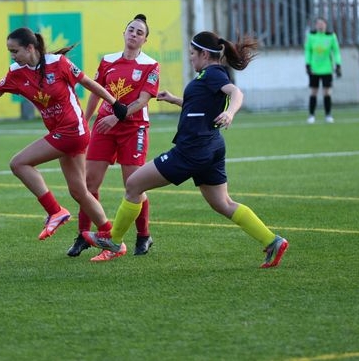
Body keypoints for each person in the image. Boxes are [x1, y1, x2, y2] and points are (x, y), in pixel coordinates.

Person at [80, 31, 289, 267]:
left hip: (192, 148)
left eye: (192, 53)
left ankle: (115, 241)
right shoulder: (206, 76)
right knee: (222, 203)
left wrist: (230, 113)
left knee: (133, 184)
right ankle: (272, 241)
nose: (191, 58)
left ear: (204, 54)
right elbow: (200, 104)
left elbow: (236, 92)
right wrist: (175, 100)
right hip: (211, 145)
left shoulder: (213, 73)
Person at [0, 27, 128, 242]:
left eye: (15, 51)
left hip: (73, 131)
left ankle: (55, 211)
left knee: (19, 163)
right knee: (79, 191)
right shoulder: (17, 71)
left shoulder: (58, 63)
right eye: (10, 52)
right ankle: (110, 236)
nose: (12, 56)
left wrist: (114, 103)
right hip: (62, 133)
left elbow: (87, 82)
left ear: (30, 48)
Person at [66, 14, 160, 259]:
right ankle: (83, 236)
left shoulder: (151, 65)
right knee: (89, 184)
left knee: (134, 184)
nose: (134, 34)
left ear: (145, 40)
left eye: (140, 32)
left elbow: (143, 101)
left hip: (134, 128)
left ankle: (143, 235)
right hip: (104, 128)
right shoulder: (107, 61)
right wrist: (85, 120)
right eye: (131, 29)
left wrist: (117, 117)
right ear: (124, 33)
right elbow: (96, 92)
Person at [304, 17, 342, 123]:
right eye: (318, 24)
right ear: (315, 25)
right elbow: (307, 51)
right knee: (313, 92)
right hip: (314, 69)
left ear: (325, 25)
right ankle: (311, 115)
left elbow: (336, 51)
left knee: (327, 93)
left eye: (322, 24)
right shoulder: (311, 36)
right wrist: (307, 64)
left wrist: (338, 65)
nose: (320, 26)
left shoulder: (331, 36)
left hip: (327, 69)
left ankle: (328, 115)